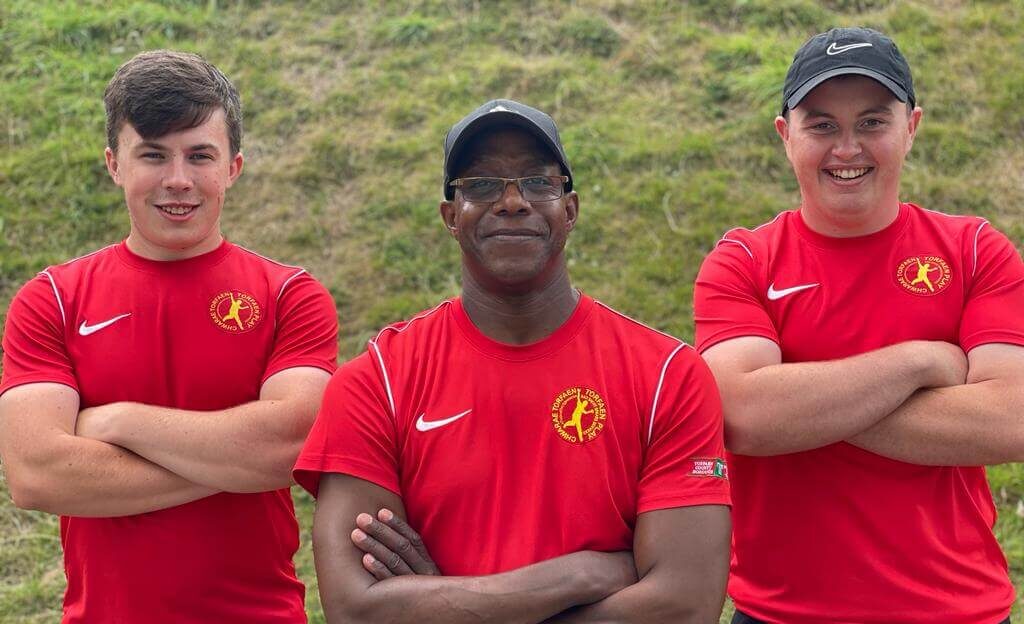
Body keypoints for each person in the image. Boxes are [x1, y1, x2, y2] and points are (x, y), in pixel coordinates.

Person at [293, 99, 731, 623]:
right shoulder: (376, 381)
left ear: (569, 209)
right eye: (479, 185)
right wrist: (579, 575)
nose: (511, 201)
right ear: (451, 217)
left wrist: (450, 608)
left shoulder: (667, 375)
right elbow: (357, 610)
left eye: (538, 182)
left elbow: (684, 606)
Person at [694, 27, 1024, 624]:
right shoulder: (742, 260)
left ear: (912, 128)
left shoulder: (977, 251)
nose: (847, 148)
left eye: (872, 122)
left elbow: (1011, 420)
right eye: (821, 125)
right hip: (781, 613)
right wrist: (921, 362)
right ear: (785, 136)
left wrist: (796, 401)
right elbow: (742, 416)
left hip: (957, 610)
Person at [0, 50, 338, 623]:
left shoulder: (290, 296)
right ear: (114, 164)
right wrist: (235, 458)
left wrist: (117, 422)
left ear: (232, 166)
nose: (178, 181)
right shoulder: (52, 299)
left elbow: (292, 445)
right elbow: (37, 474)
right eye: (153, 155)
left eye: (200, 156)